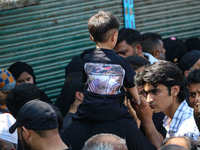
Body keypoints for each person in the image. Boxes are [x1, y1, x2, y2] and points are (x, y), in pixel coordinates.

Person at [61, 10, 155, 150]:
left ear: (92, 38)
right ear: (114, 36)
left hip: (88, 111)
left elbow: (86, 80)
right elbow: (130, 84)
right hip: (115, 112)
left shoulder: (86, 60)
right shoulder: (121, 62)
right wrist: (137, 99)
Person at [134, 60, 199, 148]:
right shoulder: (168, 119)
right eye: (146, 93)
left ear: (174, 90)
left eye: (155, 91)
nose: (149, 99)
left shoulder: (188, 129)